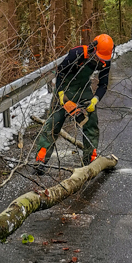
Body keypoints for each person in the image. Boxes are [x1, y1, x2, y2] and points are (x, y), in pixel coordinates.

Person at [34, 34, 114, 174]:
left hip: (83, 90)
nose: (99, 60)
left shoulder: (105, 61)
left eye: (102, 58)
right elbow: (60, 72)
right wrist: (60, 93)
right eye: (98, 56)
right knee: (54, 123)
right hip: (65, 88)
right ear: (93, 48)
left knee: (91, 122)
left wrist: (95, 100)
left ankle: (90, 159)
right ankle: (40, 160)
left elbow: (103, 84)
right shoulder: (77, 54)